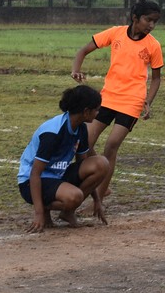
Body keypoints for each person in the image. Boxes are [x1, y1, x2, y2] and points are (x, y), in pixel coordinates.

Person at [71, 0, 164, 201]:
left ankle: (101, 194)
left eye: (155, 22)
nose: (151, 25)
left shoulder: (153, 45)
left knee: (111, 146)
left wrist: (148, 100)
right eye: (148, 20)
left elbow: (156, 78)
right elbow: (83, 50)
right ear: (135, 18)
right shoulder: (116, 33)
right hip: (107, 97)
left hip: (132, 102)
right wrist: (75, 70)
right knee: (84, 143)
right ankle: (98, 182)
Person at [17, 85, 110, 233]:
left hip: (58, 175)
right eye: (96, 110)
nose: (98, 113)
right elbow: (35, 173)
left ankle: (67, 212)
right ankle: (45, 209)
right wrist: (39, 213)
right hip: (32, 182)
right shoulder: (53, 133)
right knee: (75, 197)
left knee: (101, 163)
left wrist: (97, 200)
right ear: (86, 111)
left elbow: (83, 164)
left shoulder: (81, 128)